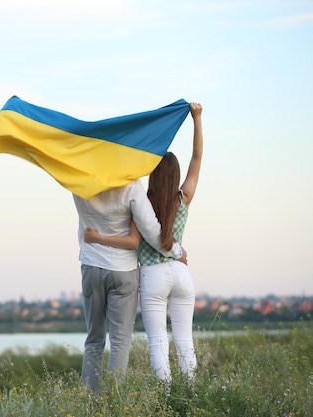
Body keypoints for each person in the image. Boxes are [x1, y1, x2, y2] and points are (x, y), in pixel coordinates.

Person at [84, 102, 203, 383]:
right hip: (181, 273)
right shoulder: (183, 198)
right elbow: (197, 158)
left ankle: (165, 395)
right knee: (185, 341)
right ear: (174, 177)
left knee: (157, 342)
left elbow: (135, 239)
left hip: (153, 276)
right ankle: (191, 394)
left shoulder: (143, 204)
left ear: (153, 174)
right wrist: (197, 120)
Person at [73, 161, 188, 392]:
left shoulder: (78, 182)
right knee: (120, 342)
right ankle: (114, 403)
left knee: (93, 340)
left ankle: (88, 402)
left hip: (91, 266)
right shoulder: (132, 186)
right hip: (123, 270)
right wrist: (177, 252)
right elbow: (152, 231)